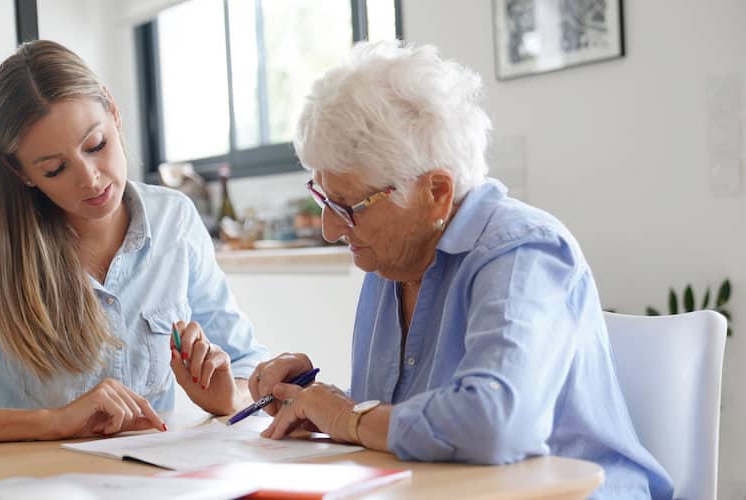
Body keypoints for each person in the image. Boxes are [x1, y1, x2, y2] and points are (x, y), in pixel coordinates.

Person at [249, 41, 672, 499]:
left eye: (349, 206)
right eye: (324, 198)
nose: (331, 229)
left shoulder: (523, 250)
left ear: (436, 192)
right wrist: (319, 402)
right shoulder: (388, 260)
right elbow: (409, 416)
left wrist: (349, 419)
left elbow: (494, 424)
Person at [0, 40, 267, 445]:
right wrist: (53, 423)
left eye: (96, 145)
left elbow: (251, 362)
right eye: (54, 169)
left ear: (113, 111)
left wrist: (229, 396)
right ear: (20, 172)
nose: (90, 178)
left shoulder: (174, 219)